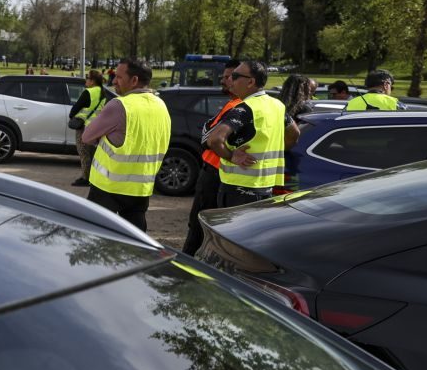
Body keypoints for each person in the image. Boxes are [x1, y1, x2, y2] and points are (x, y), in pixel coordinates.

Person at [81, 58, 170, 232]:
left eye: (119, 77)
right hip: (140, 188)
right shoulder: (161, 105)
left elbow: (87, 136)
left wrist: (103, 138)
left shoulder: (119, 105)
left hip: (108, 186)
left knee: (95, 238)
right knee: (135, 240)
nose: (114, 81)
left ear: (134, 80)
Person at [206, 60, 300, 208]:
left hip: (237, 190)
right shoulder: (277, 105)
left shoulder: (244, 109)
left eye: (235, 76)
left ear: (250, 82)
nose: (231, 79)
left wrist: (231, 156)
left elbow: (214, 140)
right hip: (266, 189)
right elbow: (294, 133)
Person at [182, 59, 240, 256]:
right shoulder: (235, 104)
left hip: (216, 174)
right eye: (222, 77)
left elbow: (208, 137)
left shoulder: (239, 107)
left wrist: (229, 154)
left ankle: (184, 271)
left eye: (228, 77)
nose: (223, 81)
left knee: (199, 228)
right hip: (220, 173)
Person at [69, 69, 106, 186]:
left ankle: (86, 178)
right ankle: (95, 177)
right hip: (96, 127)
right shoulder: (102, 92)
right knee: (94, 153)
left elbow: (74, 109)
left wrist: (73, 116)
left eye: (88, 78)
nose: (86, 80)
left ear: (93, 81)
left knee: (84, 153)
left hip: (84, 127)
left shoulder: (88, 92)